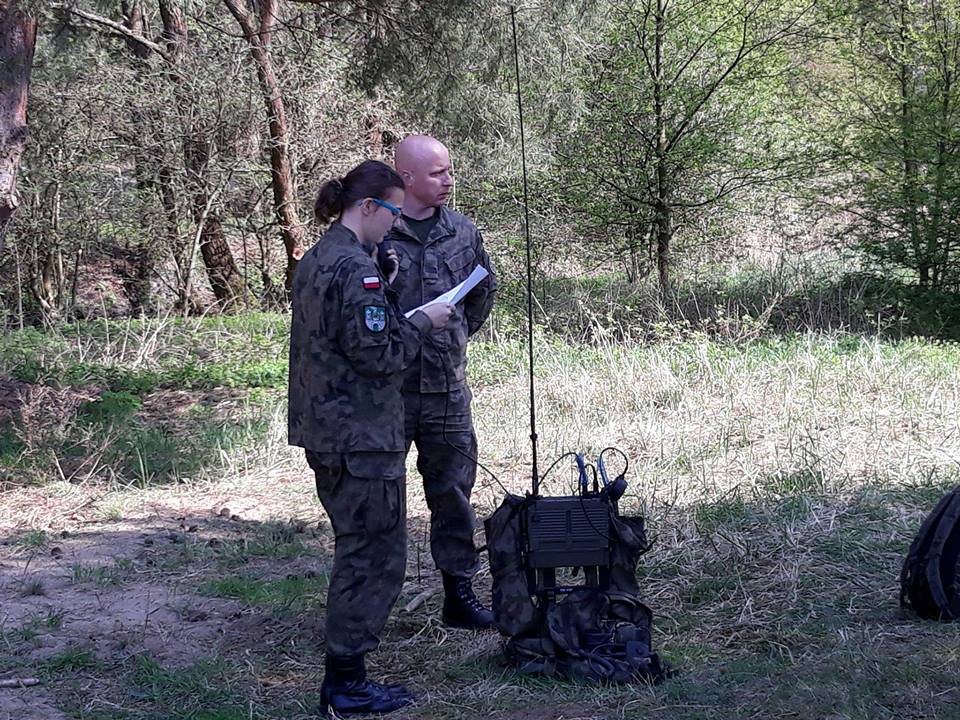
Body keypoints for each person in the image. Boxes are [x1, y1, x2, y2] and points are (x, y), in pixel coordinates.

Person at [288, 159, 454, 716]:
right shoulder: (352, 269)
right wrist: (423, 322)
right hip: (360, 434)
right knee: (372, 556)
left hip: (328, 429)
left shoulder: (319, 258)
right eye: (391, 211)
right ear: (366, 207)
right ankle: (346, 684)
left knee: (357, 546)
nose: (395, 223)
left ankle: (347, 677)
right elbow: (379, 356)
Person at [385, 135, 497, 630]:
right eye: (437, 173)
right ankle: (373, 601)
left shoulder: (462, 231)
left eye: (449, 171)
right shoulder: (378, 230)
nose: (448, 180)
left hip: (446, 391)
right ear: (406, 178)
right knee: (382, 501)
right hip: (388, 391)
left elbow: (481, 293)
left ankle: (459, 594)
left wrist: (452, 340)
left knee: (453, 495)